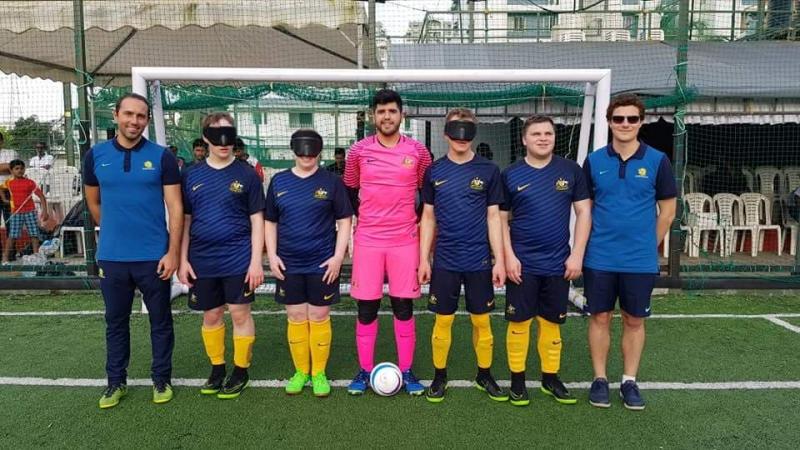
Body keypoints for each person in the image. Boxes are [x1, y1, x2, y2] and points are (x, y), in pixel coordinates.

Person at [83, 93, 183, 409]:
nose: (134, 121)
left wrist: (173, 253)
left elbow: (176, 207)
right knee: (115, 320)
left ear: (146, 121)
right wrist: (115, 232)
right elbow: (94, 203)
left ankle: (161, 378)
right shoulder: (95, 155)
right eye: (128, 114)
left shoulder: (162, 156)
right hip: (112, 258)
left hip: (154, 256)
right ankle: (115, 383)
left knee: (161, 320)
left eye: (140, 116)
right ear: (115, 115)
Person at [582, 94, 677, 411]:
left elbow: (667, 211)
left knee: (634, 320)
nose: (625, 124)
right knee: (600, 317)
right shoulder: (595, 161)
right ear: (609, 122)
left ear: (641, 122)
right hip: (600, 256)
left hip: (639, 259)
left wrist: (648, 245)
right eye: (618, 118)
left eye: (632, 119)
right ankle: (599, 380)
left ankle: (628, 381)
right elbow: (586, 210)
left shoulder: (657, 160)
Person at [343, 89, 432, 395]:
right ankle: (364, 371)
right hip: (368, 239)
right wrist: (368, 219)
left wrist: (409, 221)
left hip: (404, 241)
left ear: (401, 115)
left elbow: (426, 193)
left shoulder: (419, 152)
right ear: (373, 116)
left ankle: (407, 372)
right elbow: (350, 189)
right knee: (366, 308)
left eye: (392, 111)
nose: (387, 116)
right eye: (381, 112)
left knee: (403, 307)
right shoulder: (358, 151)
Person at [500, 116, 592, 406]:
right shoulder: (511, 174)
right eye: (536, 133)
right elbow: (500, 219)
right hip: (521, 265)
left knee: (552, 323)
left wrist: (577, 254)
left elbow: (584, 213)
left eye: (548, 133)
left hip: (558, 264)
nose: (543, 138)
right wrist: (508, 257)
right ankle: (517, 382)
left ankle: (550, 379)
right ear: (524, 140)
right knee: (519, 323)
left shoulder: (571, 171)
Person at [418, 108, 507, 403]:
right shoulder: (434, 171)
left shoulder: (488, 170)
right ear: (446, 134)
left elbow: (494, 218)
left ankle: (485, 374)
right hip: (445, 260)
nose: (460, 137)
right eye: (455, 130)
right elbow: (428, 218)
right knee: (443, 321)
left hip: (478, 259)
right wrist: (423, 259)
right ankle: (439, 376)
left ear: (473, 133)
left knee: (482, 322)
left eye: (467, 130)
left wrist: (500, 260)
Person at [178, 113, 265, 399]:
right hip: (202, 258)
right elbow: (186, 220)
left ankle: (241, 370)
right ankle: (217, 368)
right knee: (212, 313)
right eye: (216, 136)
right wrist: (182, 258)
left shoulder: (247, 175)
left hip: (238, 257)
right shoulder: (191, 175)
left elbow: (257, 221)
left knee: (240, 312)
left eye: (229, 134)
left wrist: (256, 262)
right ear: (205, 138)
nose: (224, 142)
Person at [265, 129, 353, 397]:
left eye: (312, 151)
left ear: (319, 152)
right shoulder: (278, 182)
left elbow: (344, 220)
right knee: (295, 316)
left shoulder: (332, 181)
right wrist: (272, 255)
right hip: (288, 263)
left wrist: (339, 257)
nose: (307, 156)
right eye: (302, 150)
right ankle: (301, 371)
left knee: (318, 316)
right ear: (294, 150)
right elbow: (270, 221)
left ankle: (318, 373)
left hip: (322, 263)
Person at [0, 159, 49, 263]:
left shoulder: (29, 183)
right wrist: (4, 199)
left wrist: (45, 211)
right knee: (12, 235)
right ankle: (5, 257)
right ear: (12, 170)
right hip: (16, 212)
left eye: (22, 168)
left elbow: (41, 197)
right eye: (16, 169)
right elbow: (1, 188)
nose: (19, 170)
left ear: (25, 169)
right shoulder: (9, 182)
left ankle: (36, 255)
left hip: (30, 212)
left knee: (34, 234)